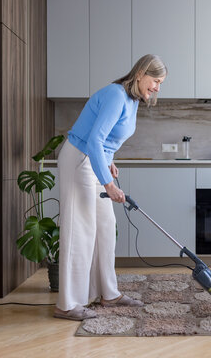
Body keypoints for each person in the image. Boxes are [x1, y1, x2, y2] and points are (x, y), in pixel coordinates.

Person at [54, 54, 167, 320]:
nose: (157, 87)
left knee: (104, 229)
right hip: (78, 159)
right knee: (79, 231)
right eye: (156, 80)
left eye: (161, 83)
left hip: (94, 161)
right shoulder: (117, 95)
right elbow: (94, 140)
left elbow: (106, 140)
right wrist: (109, 184)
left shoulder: (132, 99)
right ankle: (67, 304)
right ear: (140, 73)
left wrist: (109, 162)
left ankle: (109, 294)